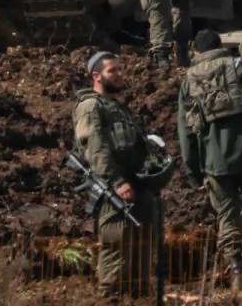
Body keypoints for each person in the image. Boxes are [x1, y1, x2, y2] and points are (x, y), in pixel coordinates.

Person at [178, 30, 242, 290]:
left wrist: (193, 173)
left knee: (226, 216)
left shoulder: (189, 81)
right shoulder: (241, 68)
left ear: (197, 52)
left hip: (214, 161)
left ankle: (235, 269)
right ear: (220, 46)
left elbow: (186, 133)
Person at [73, 51, 164, 299]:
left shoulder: (117, 108)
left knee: (141, 252)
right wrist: (116, 181)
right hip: (114, 192)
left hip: (137, 187)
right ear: (96, 76)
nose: (119, 74)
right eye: (112, 70)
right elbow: (96, 148)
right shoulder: (91, 106)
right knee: (116, 251)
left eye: (120, 69)